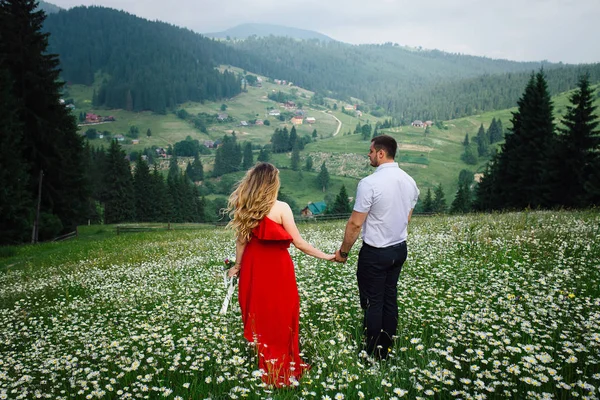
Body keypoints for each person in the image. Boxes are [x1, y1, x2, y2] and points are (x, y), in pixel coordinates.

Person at [226, 162, 334, 387]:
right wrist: (327, 256)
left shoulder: (243, 205)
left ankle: (267, 365)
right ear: (272, 183)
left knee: (260, 314)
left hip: (253, 268)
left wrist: (237, 266)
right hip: (278, 269)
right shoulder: (282, 208)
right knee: (283, 314)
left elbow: (241, 242)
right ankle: (285, 364)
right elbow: (300, 243)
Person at [334, 135, 419, 360]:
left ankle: (373, 353)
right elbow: (407, 217)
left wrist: (343, 252)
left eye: (371, 152)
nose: (369, 155)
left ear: (381, 153)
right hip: (399, 248)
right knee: (390, 297)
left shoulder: (369, 183)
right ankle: (387, 347)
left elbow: (355, 223)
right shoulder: (410, 181)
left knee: (373, 301)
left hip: (376, 251)